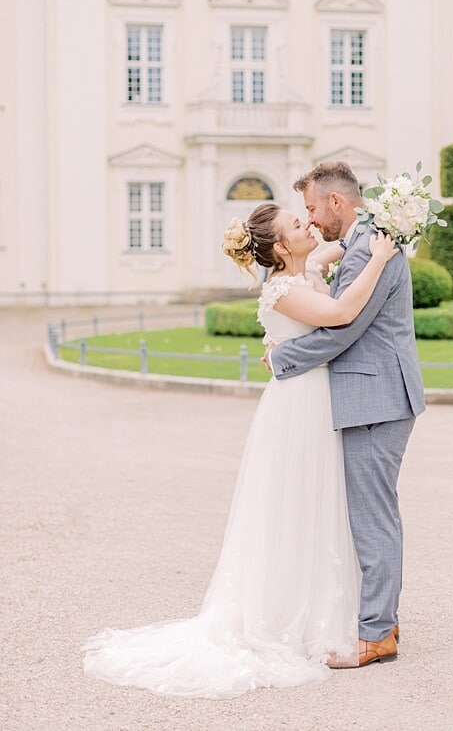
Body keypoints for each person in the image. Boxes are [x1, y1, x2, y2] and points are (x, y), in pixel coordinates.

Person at [83, 202, 399, 697]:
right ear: (279, 249)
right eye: (299, 224)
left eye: (306, 216)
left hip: (318, 403)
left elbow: (346, 241)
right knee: (293, 508)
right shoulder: (283, 290)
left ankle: (325, 608)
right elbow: (339, 314)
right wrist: (380, 259)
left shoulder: (308, 267)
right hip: (297, 410)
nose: (308, 224)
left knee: (319, 505)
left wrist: (390, 222)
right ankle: (287, 615)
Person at [266, 161, 425, 669]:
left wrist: (279, 359)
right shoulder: (363, 245)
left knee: (371, 516)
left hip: (376, 399)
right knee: (368, 513)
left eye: (312, 207)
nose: (310, 218)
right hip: (372, 396)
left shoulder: (369, 251)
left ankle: (378, 634)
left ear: (337, 202)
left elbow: (341, 330)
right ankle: (381, 620)